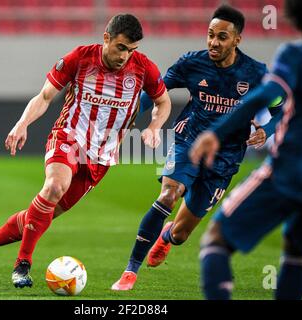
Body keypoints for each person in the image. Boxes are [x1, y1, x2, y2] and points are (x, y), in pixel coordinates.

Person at [0, 13, 172, 288]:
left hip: (101, 157)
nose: (125, 56)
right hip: (68, 137)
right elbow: (45, 96)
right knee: (54, 187)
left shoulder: (143, 68)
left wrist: (154, 126)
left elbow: (163, 102)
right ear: (107, 38)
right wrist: (22, 124)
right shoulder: (80, 58)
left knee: (41, 215)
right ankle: (22, 265)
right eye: (121, 47)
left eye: (131, 50)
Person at [111, 5, 283, 291]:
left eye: (222, 37)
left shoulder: (256, 73)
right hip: (189, 141)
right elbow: (156, 91)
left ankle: (166, 238)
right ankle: (130, 271)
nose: (214, 42)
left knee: (181, 234)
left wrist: (267, 130)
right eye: (210, 35)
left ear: (237, 40)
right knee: (168, 195)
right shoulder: (192, 63)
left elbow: (280, 108)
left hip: (225, 159)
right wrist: (127, 120)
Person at [190, 0, 302, 300]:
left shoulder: (297, 54)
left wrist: (216, 133)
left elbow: (270, 92)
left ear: (296, 17)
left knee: (216, 239)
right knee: (296, 252)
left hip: (291, 171)